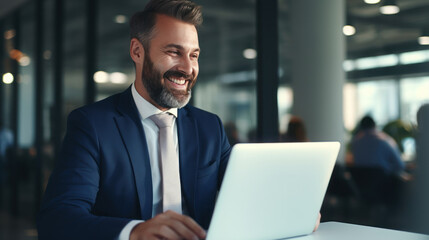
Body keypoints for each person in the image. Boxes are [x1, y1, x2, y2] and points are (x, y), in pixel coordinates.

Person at [37, 1, 320, 239]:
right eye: (174, 52)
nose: (187, 68)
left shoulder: (209, 127)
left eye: (194, 55)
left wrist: (291, 213)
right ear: (137, 51)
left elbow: (246, 194)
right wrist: (135, 232)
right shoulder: (93, 124)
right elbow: (58, 219)